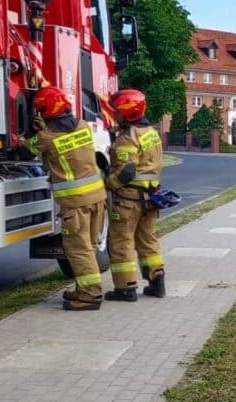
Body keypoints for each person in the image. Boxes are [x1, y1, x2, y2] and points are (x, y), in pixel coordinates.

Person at [24, 86, 119, 311]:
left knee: (78, 249)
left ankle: (90, 295)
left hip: (76, 204)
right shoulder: (84, 127)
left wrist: (26, 136)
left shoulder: (46, 138)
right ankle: (83, 288)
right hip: (97, 198)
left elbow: (30, 146)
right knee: (90, 245)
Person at [104, 88, 166, 302]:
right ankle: (157, 283)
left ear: (127, 113)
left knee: (121, 242)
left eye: (117, 111)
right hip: (151, 197)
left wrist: (108, 184)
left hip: (129, 200)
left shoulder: (126, 138)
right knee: (148, 240)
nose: (114, 115)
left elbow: (127, 171)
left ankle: (126, 288)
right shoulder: (151, 132)